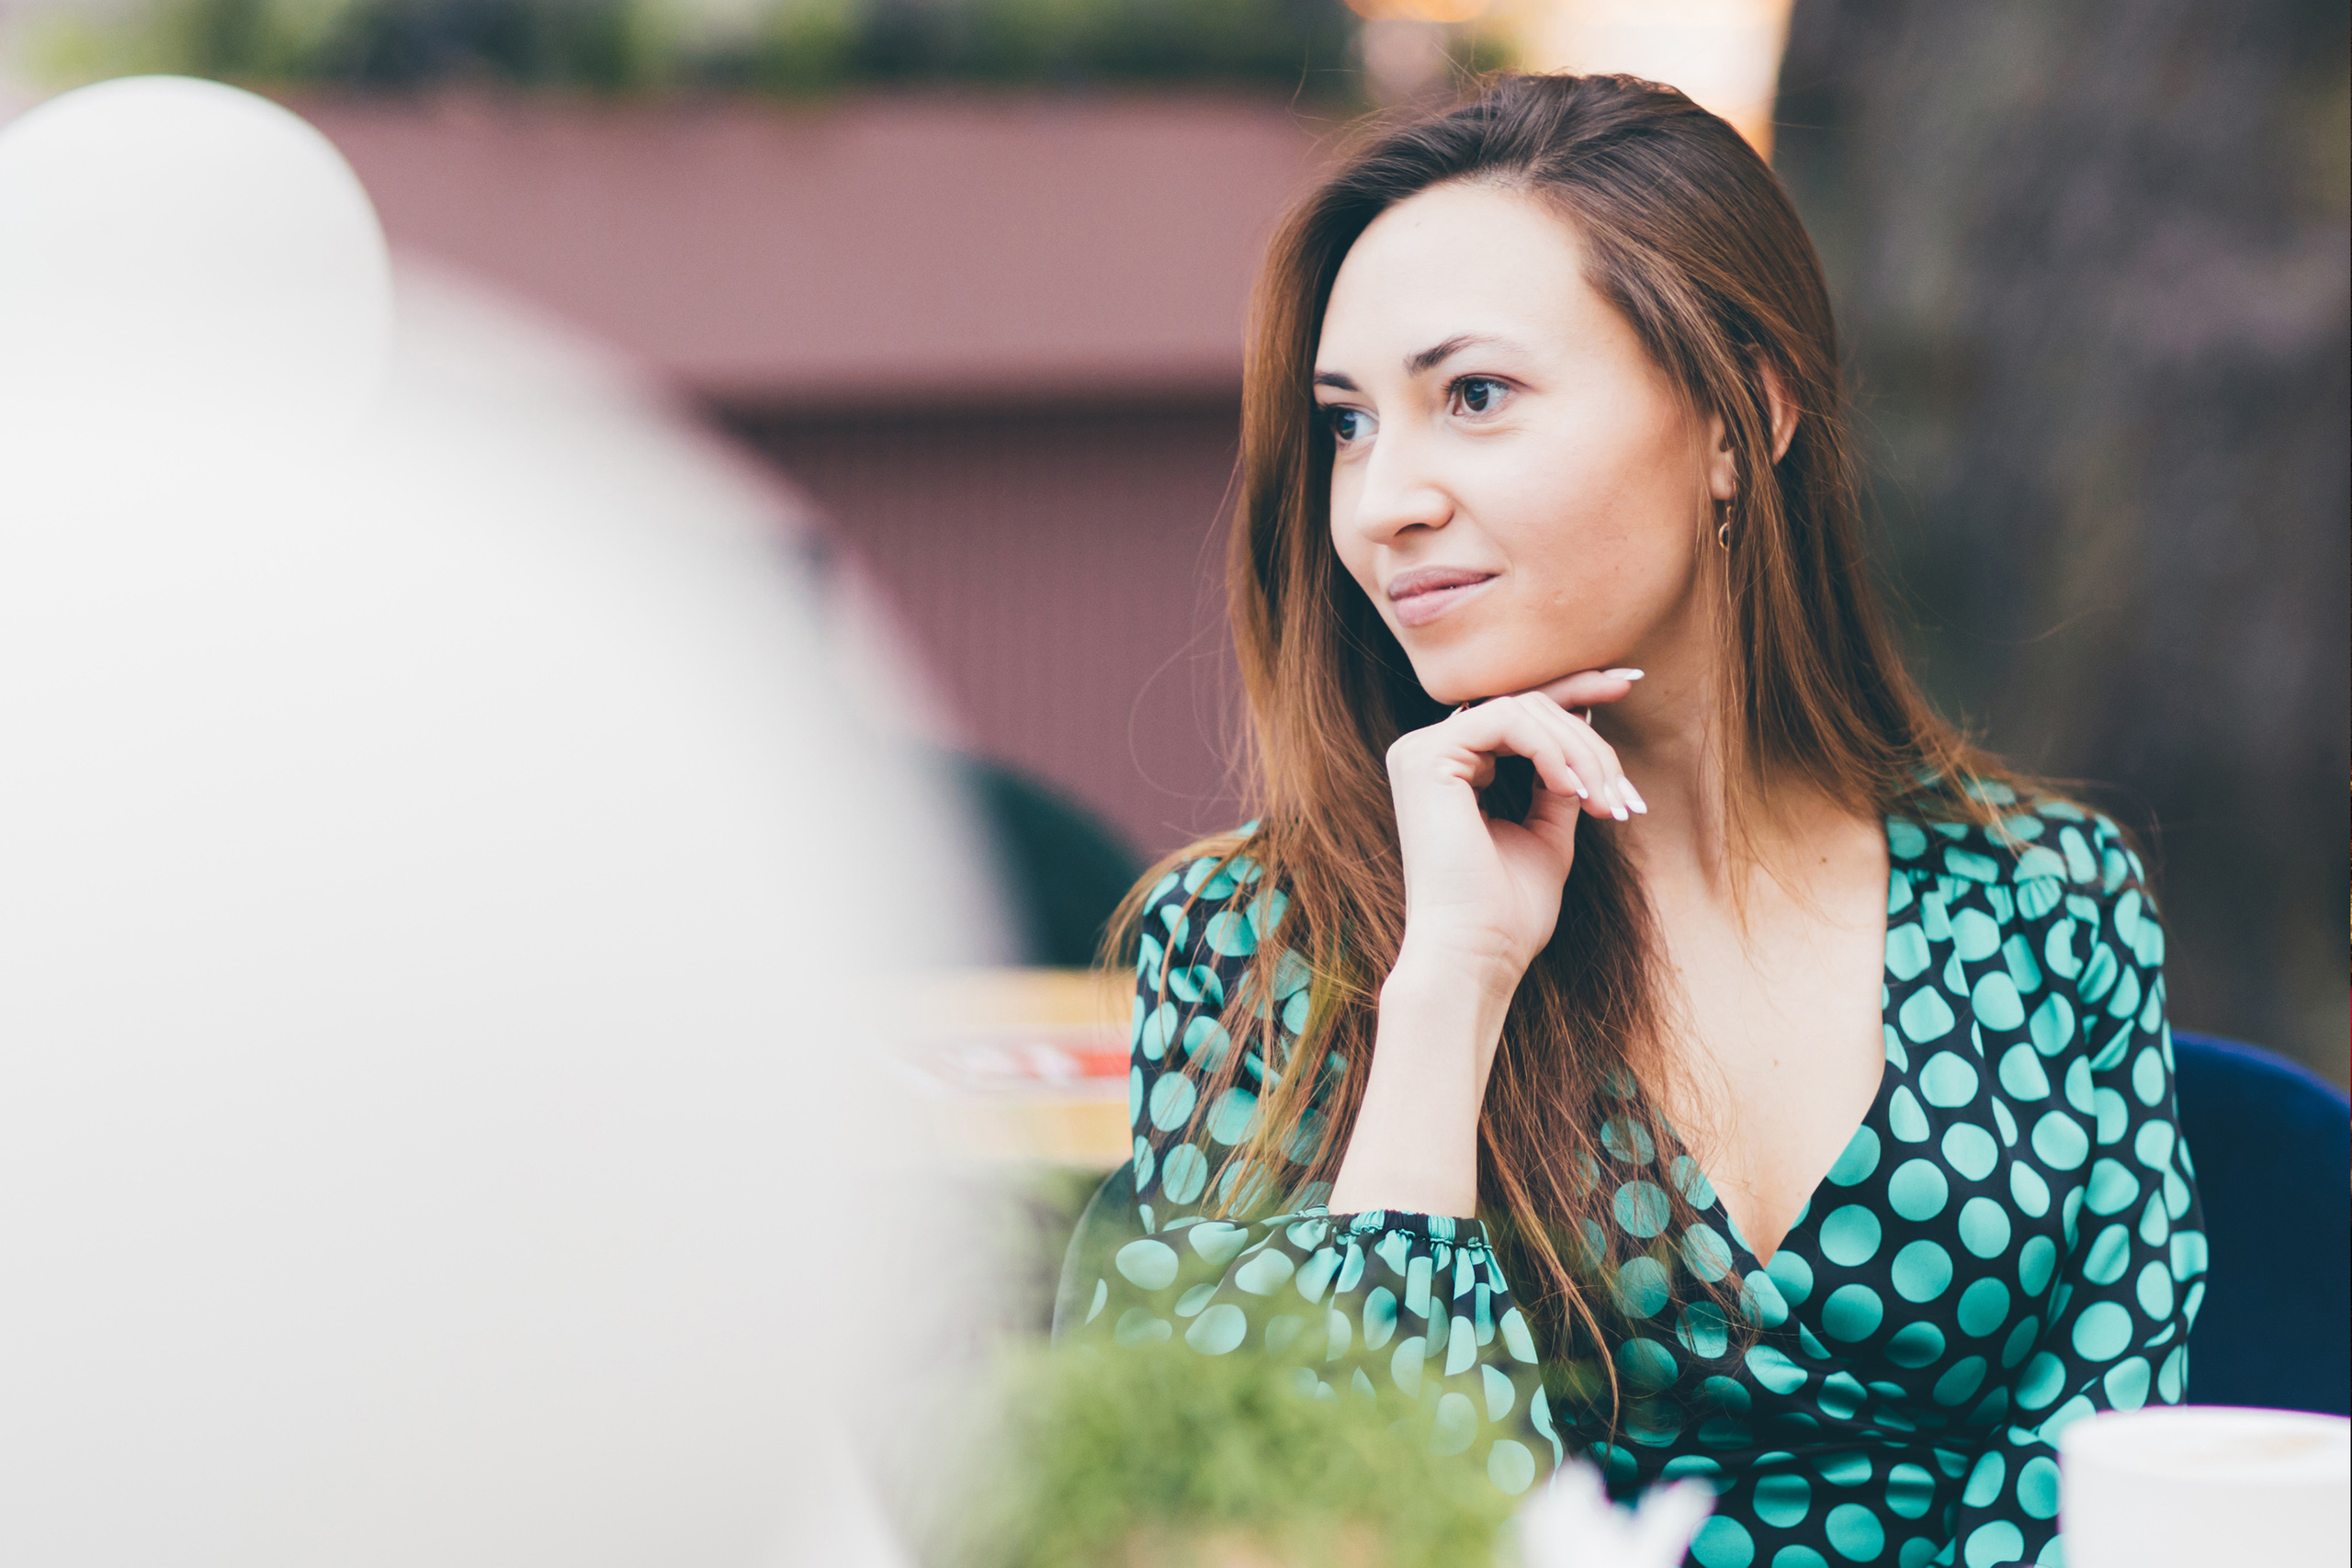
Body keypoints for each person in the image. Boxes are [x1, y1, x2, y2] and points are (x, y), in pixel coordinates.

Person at [1069, 73, 2206, 1568]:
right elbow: (1289, 1514)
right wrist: (1449, 991)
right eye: (1345, 425)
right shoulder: (1255, 943)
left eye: (1474, 396)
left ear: (1742, 416)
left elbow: (2104, 1478)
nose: (1381, 501)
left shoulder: (2050, 900)